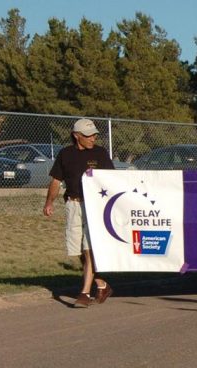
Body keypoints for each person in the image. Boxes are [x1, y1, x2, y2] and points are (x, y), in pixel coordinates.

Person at [43, 118, 115, 308]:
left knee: (88, 248)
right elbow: (56, 181)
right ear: (77, 136)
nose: (93, 138)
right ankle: (102, 283)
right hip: (73, 206)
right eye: (88, 135)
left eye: (94, 135)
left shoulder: (100, 153)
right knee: (77, 250)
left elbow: (112, 179)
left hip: (94, 207)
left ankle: (84, 293)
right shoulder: (65, 154)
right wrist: (49, 202)